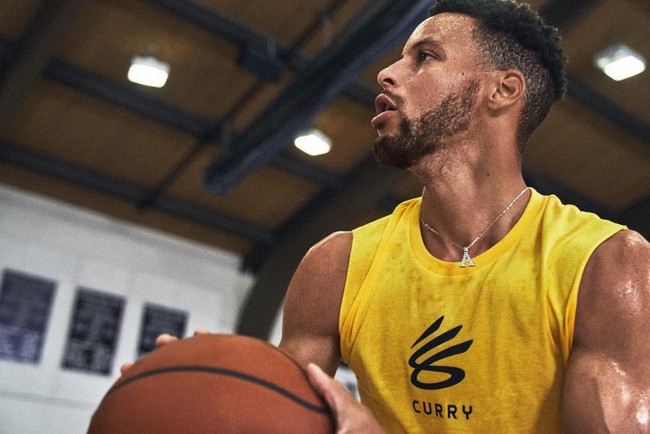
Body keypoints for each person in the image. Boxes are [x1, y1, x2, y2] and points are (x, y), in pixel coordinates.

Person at [125, 1, 649, 432]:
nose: (387, 72)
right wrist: (215, 384)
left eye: (425, 56)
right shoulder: (336, 265)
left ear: (503, 90)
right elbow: (284, 417)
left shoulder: (607, 268)